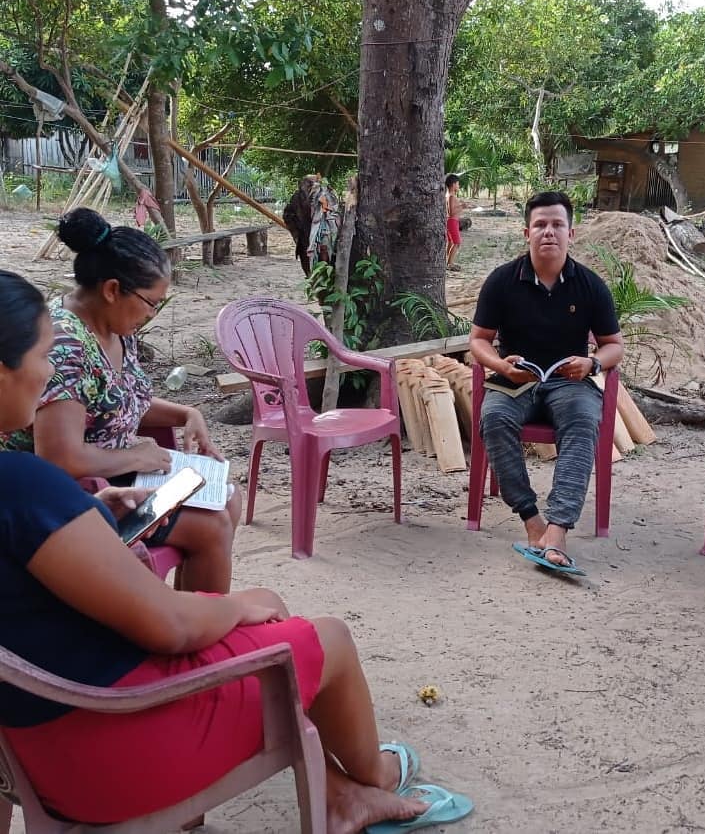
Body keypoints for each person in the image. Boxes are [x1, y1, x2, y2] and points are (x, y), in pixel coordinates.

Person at [0, 269, 470, 833]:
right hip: (105, 747)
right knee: (325, 639)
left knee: (258, 611)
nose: (51, 374)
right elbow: (169, 627)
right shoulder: (22, 483)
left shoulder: (23, 488)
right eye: (44, 356)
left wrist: (98, 515)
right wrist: (237, 607)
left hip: (30, 745)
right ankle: (373, 780)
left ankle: (341, 792)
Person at [0, 208, 240, 594]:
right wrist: (137, 457)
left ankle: (191, 610)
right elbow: (59, 457)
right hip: (81, 491)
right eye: (151, 303)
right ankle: (195, 633)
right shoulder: (67, 344)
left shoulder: (112, 328)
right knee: (211, 526)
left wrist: (185, 413)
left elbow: (120, 399)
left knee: (227, 499)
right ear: (113, 290)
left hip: (121, 473)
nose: (151, 314)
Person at [469, 190, 624, 570]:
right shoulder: (502, 280)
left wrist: (590, 365)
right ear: (526, 233)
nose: (548, 232)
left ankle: (558, 528)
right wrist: (502, 365)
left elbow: (614, 346)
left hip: (569, 381)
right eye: (540, 225)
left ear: (572, 233)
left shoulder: (589, 285)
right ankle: (531, 519)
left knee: (584, 420)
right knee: (495, 418)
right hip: (515, 380)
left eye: (557, 224)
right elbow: (478, 340)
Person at [445, 173, 464, 271]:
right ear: (453, 184)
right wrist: (462, 206)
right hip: (452, 221)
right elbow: (451, 212)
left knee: (451, 242)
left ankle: (447, 261)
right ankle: (450, 264)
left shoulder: (449, 195)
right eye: (458, 184)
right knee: (456, 243)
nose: (459, 186)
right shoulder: (451, 196)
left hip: (451, 221)